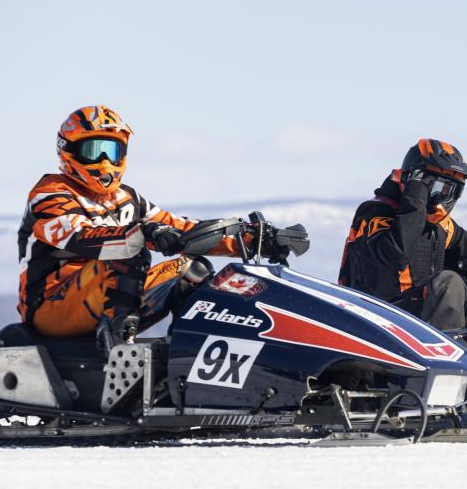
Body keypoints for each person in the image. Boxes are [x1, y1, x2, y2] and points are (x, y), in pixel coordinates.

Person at [17, 105, 286, 352]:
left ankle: (184, 352)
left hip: (98, 298)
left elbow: (182, 230)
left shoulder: (127, 199)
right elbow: (78, 236)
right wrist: (143, 233)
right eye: (93, 151)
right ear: (69, 150)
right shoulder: (51, 194)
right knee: (124, 253)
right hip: (51, 305)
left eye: (112, 151)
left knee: (192, 269)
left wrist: (251, 240)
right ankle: (117, 353)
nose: (104, 162)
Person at [338, 139, 467, 329]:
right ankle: (446, 352)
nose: (439, 198)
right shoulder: (375, 214)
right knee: (448, 283)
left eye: (449, 190)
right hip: (377, 316)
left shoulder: (440, 224)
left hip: (416, 314)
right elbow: (395, 254)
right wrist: (415, 201)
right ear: (413, 181)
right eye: (434, 188)